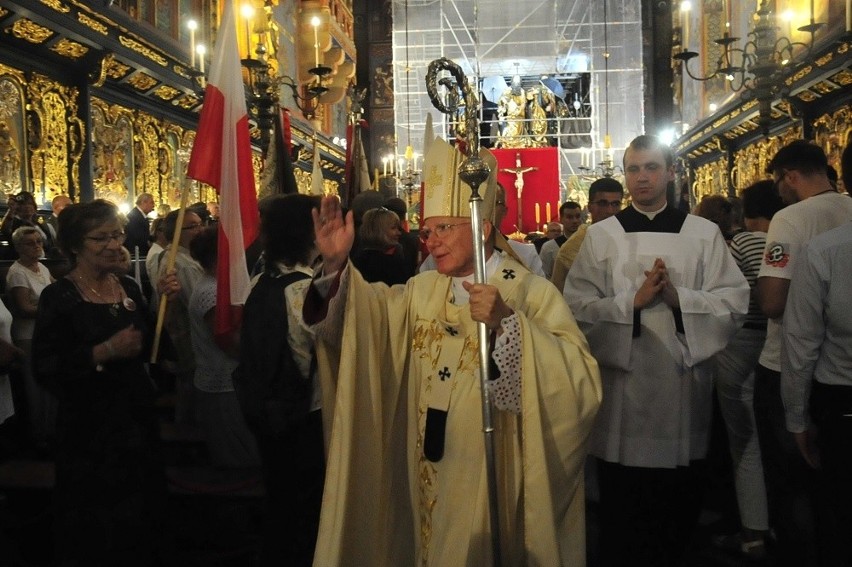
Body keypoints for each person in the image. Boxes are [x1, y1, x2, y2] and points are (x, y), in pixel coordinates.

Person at [303, 138, 602, 565]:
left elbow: (579, 386)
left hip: (490, 471)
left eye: (444, 228)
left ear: (481, 228)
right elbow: (363, 328)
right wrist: (335, 267)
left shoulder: (530, 293)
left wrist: (509, 326)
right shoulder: (422, 289)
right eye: (427, 232)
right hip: (421, 461)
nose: (432, 243)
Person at [564, 134, 749, 567]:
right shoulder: (601, 236)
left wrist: (678, 300)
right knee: (624, 512)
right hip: (622, 388)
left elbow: (733, 301)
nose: (641, 177)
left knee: (677, 510)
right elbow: (576, 309)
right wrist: (633, 303)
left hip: (682, 387)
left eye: (650, 168)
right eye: (633, 169)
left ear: (670, 172)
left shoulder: (703, 234)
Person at [32, 199, 178, 565]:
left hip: (135, 421)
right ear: (75, 246)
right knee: (97, 523)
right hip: (89, 429)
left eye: (118, 235)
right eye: (101, 238)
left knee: (143, 513)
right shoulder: (59, 296)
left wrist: (166, 305)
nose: (115, 245)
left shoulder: (126, 285)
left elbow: (154, 350)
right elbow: (46, 366)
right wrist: (104, 352)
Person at [755, 140, 852, 566]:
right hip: (838, 366)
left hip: (788, 362)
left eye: (779, 183)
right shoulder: (849, 210)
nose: (779, 192)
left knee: (793, 477)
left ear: (790, 177)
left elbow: (773, 301)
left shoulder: (789, 219)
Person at [233, 194, 325, 566]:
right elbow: (308, 357)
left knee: (280, 494)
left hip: (267, 410)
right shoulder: (303, 290)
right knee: (303, 505)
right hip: (301, 413)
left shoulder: (261, 280)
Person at [709, 180, 784, 560]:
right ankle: (777, 522)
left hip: (740, 345)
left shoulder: (740, 244)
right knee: (773, 438)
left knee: (744, 443)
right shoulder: (786, 239)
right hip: (777, 346)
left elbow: (726, 298)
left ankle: (752, 530)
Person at [187, 226, 260, 469]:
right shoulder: (211, 292)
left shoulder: (219, 285)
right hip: (222, 383)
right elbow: (228, 342)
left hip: (228, 381)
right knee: (236, 454)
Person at [6, 226, 56, 450]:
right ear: (18, 247)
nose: (37, 246)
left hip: (44, 332)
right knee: (34, 387)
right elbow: (25, 307)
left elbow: (55, 292)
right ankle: (39, 436)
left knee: (48, 384)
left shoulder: (41, 268)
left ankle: (51, 430)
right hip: (27, 336)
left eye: (38, 241)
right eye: (30, 243)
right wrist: (51, 308)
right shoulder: (18, 272)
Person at [551, 177, 623, 292]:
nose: (610, 210)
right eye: (602, 203)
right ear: (589, 207)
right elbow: (558, 291)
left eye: (615, 204)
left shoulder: (628, 238)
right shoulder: (572, 248)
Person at [351, 207, 413, 285]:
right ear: (378, 231)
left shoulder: (358, 259)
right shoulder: (369, 263)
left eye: (398, 228)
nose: (399, 233)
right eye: (393, 228)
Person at [539, 201, 582, 276]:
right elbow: (543, 275)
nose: (575, 221)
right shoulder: (549, 247)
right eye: (569, 217)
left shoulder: (588, 243)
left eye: (577, 216)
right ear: (561, 219)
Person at [124, 192, 154, 257]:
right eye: (151, 202)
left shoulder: (139, 216)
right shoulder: (134, 217)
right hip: (137, 254)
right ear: (144, 202)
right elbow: (140, 238)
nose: (153, 205)